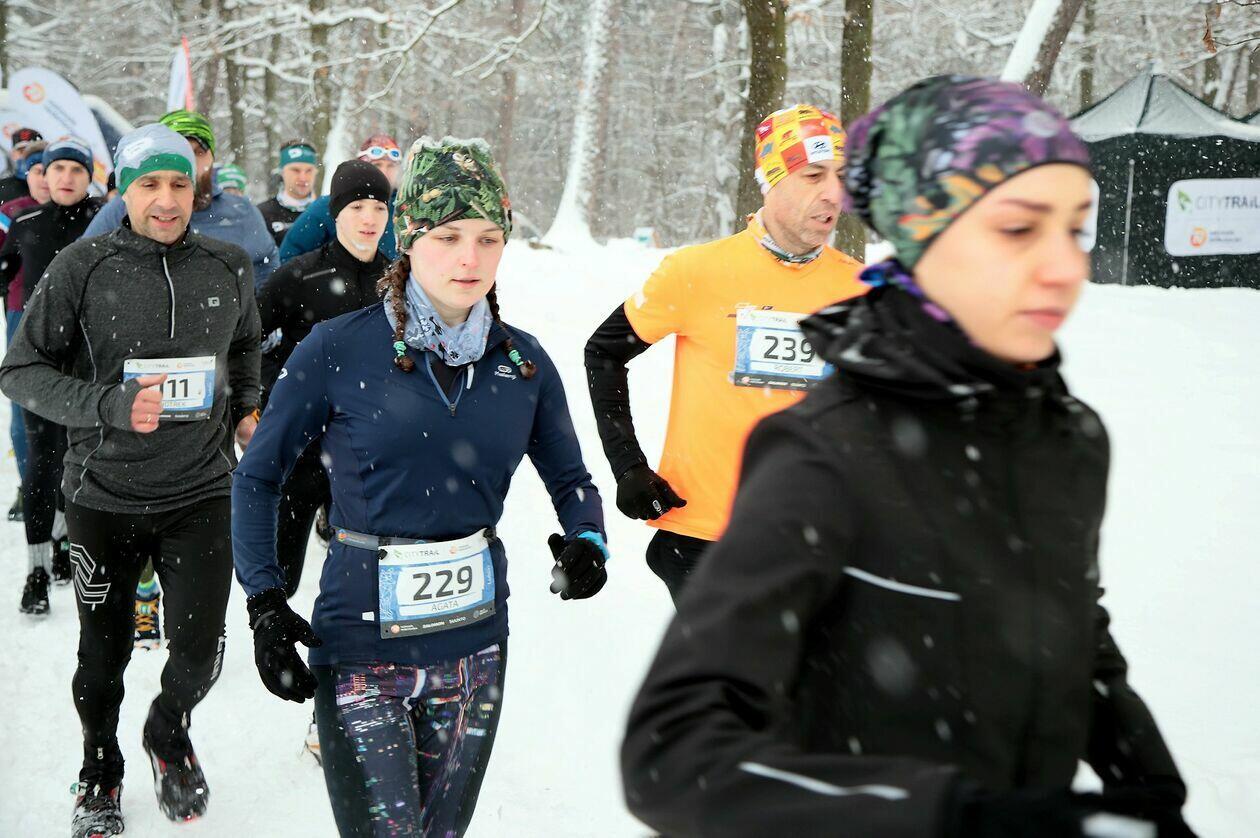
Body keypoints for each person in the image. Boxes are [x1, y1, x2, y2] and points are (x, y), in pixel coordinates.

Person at [620, 76, 1195, 838]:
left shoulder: (1071, 440)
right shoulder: (825, 451)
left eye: (1075, 229)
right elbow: (671, 753)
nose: (1065, 268)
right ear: (928, 235)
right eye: (1019, 228)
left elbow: (1076, 641)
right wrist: (954, 817)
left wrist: (1155, 795)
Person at [233, 137, 607, 837]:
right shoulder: (338, 347)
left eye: (489, 238)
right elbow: (257, 476)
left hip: (476, 650)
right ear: (409, 239)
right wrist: (264, 602)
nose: (470, 258)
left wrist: (588, 539)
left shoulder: (523, 363)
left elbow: (571, 479)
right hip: (360, 648)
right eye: (448, 237)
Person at [0, 123, 261, 837]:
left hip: (201, 490)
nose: (167, 200)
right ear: (122, 188)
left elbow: (243, 347)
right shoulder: (82, 267)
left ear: (196, 188)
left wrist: (247, 407)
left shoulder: (229, 264)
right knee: (102, 655)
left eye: (179, 183)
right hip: (103, 496)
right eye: (149, 184)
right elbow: (19, 371)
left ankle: (167, 729)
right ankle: (100, 768)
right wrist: (107, 405)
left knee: (200, 652)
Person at [585, 103, 866, 604]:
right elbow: (604, 354)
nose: (833, 193)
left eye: (842, 176)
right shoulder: (697, 272)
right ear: (771, 181)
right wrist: (628, 466)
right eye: (814, 175)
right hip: (706, 543)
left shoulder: (860, 290)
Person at [256, 159, 391, 599]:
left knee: (363, 580)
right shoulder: (299, 275)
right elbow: (245, 342)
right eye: (357, 207)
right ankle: (275, 631)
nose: (369, 218)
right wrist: (264, 399)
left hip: (367, 454)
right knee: (281, 577)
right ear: (335, 213)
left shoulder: (398, 281)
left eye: (379, 207)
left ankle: (346, 638)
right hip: (302, 449)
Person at [0, 136, 102, 614]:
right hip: (40, 360)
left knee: (79, 458)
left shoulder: (106, 221)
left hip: (93, 361)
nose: (66, 177)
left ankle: (68, 543)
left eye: (77, 170)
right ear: (43, 173)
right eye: (57, 168)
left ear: (88, 178)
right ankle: (37, 570)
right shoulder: (25, 224)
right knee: (43, 461)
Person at [83, 109, 278, 288]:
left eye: (199, 152)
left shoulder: (240, 211)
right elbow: (83, 263)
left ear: (212, 158)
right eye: (180, 151)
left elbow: (266, 264)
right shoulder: (125, 206)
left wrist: (252, 308)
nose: (190, 162)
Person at [0, 139, 48, 522]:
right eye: (39, 170)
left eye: (54, 169)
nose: (48, 178)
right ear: (27, 175)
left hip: (75, 318)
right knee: (23, 409)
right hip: (20, 312)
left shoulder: (87, 212)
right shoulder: (12, 212)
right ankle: (29, 487)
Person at [278, 133, 402, 264]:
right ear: (361, 166)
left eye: (391, 166)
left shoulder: (403, 209)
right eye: (377, 165)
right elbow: (289, 256)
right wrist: (327, 274)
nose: (384, 172)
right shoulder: (329, 206)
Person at [257, 139, 319, 246]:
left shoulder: (328, 212)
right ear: (282, 172)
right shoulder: (262, 214)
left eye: (309, 170)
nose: (303, 178)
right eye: (295, 170)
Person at [0, 127, 43, 203]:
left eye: (31, 151)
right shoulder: (2, 186)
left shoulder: (56, 184)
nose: (25, 155)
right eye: (21, 151)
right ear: (13, 154)